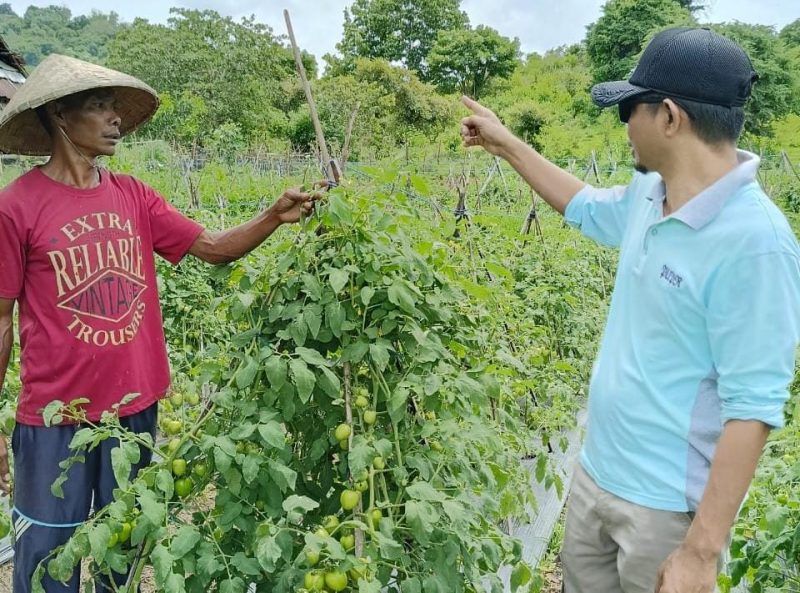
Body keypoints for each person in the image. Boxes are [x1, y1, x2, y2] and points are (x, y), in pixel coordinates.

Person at [461, 27, 800, 593]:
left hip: (666, 513)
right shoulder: (652, 193)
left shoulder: (754, 242)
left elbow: (754, 408)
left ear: (669, 117)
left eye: (629, 110)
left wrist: (700, 551)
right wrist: (507, 144)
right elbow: (586, 207)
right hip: (597, 476)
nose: (623, 126)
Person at [0, 54, 322, 593]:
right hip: (56, 420)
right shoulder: (17, 207)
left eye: (115, 109)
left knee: (124, 551)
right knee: (46, 560)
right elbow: (0, 320)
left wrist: (273, 215)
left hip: (134, 411)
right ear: (59, 114)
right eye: (99, 107)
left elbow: (214, 248)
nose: (115, 120)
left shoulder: (134, 196)